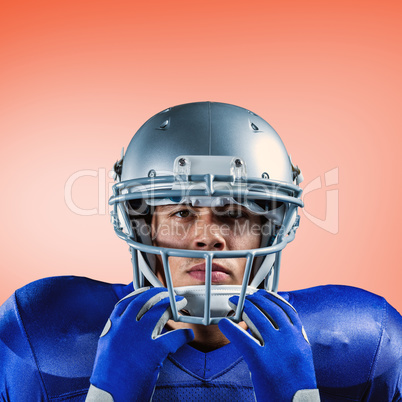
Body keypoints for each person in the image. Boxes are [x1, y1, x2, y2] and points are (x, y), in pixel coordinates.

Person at [0, 102, 401, 401]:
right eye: (182, 212)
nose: (208, 237)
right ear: (143, 225)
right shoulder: (47, 332)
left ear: (272, 228)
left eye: (234, 213)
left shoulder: (364, 343)